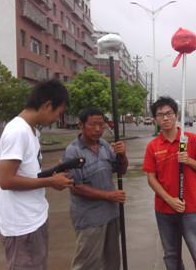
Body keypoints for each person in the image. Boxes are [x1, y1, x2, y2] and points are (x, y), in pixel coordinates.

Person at [0, 79, 74, 270]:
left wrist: (52, 173)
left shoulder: (32, 132)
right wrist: (50, 181)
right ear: (47, 105)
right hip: (22, 226)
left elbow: (27, 172)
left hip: (34, 218)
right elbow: (6, 180)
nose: (57, 119)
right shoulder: (17, 131)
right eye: (58, 113)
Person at [143, 96, 196, 270]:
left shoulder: (191, 140)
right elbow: (151, 178)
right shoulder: (153, 146)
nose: (165, 118)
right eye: (160, 115)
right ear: (155, 119)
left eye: (169, 113)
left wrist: (189, 160)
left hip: (190, 209)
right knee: (171, 257)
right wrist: (169, 200)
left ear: (176, 115)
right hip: (165, 210)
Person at [63, 107, 128, 270]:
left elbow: (120, 170)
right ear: (81, 126)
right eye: (93, 125)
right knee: (87, 263)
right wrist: (108, 195)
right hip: (89, 218)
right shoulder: (73, 151)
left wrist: (123, 155)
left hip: (111, 214)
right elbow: (75, 187)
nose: (98, 129)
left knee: (112, 262)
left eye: (101, 124)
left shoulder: (105, 145)